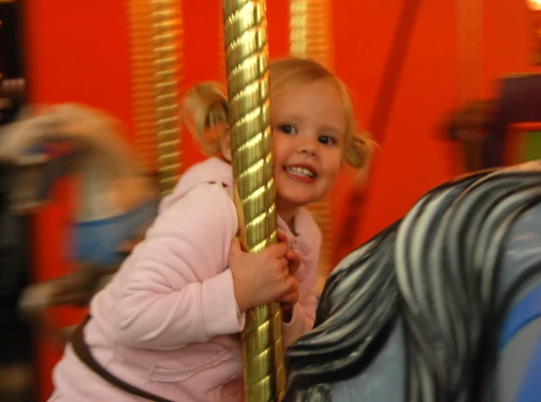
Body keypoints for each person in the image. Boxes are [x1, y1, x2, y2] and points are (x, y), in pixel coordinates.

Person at [48, 58, 375, 401]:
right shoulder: (213, 209)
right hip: (111, 390)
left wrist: (287, 311)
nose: (309, 147)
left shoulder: (308, 233)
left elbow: (298, 345)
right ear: (237, 142)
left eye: (326, 139)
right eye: (287, 128)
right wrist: (236, 292)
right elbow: (131, 318)